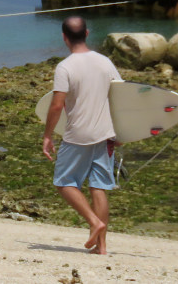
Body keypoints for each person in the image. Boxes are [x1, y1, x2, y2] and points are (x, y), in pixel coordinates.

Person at [42, 16, 121, 255]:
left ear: (64, 38)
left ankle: (94, 222)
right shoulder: (105, 62)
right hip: (104, 134)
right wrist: (121, 131)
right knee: (98, 187)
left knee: (64, 182)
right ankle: (102, 246)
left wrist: (47, 135)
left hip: (78, 135)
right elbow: (120, 96)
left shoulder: (65, 67)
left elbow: (57, 106)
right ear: (87, 34)